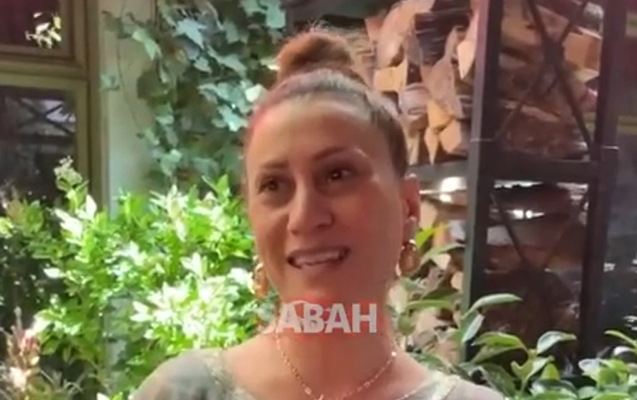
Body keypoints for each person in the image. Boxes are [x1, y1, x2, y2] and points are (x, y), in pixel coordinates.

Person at [131, 29, 503, 400]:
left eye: (337, 174)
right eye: (274, 185)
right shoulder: (181, 393)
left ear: (408, 206)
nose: (304, 216)